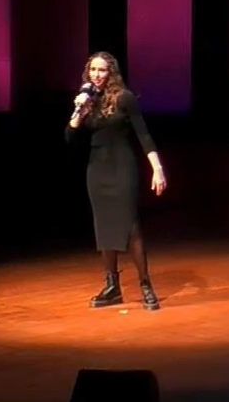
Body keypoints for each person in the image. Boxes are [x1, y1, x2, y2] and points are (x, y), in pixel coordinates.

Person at [67, 52, 167, 310]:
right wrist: (79, 111)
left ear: (111, 72)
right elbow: (69, 138)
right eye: (93, 70)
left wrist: (157, 169)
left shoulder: (125, 98)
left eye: (102, 70)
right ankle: (112, 286)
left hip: (122, 168)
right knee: (104, 227)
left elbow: (144, 135)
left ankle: (145, 284)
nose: (96, 75)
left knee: (131, 228)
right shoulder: (87, 100)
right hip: (96, 171)